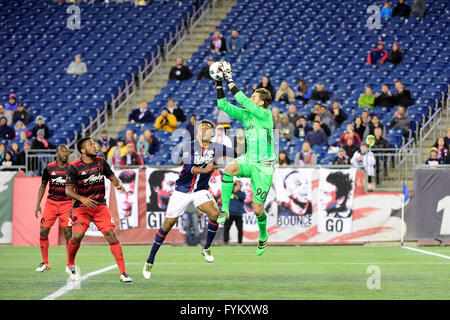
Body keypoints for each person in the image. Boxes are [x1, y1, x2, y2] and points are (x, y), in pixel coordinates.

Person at [143, 120, 236, 279]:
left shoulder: (216, 147)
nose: (204, 130)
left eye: (207, 128)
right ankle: (150, 261)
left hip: (200, 191)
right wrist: (205, 169)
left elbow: (236, 152)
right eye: (201, 128)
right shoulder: (189, 145)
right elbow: (188, 168)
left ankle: (206, 248)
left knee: (215, 215)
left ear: (212, 133)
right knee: (167, 225)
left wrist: (247, 141)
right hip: (182, 191)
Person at [214, 60, 276, 256]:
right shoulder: (246, 115)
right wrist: (218, 82)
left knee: (258, 209)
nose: (250, 98)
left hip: (264, 167)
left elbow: (242, 100)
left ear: (261, 102)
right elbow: (222, 104)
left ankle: (263, 235)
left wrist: (229, 79)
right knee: (229, 168)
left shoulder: (265, 114)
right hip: (249, 160)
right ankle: (224, 209)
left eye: (254, 97)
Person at [65, 137, 131, 282]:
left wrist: (118, 184)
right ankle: (70, 264)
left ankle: (123, 273)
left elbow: (112, 177)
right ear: (83, 150)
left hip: (100, 206)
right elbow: (68, 191)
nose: (95, 146)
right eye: (91, 145)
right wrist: (83, 199)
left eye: (95, 144)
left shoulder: (101, 162)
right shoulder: (74, 167)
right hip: (81, 207)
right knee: (77, 236)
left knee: (111, 234)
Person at [34, 145, 72, 272]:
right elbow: (43, 186)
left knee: (68, 233)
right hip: (51, 203)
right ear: (57, 153)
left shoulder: (72, 169)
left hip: (66, 204)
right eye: (62, 151)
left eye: (66, 151)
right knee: (43, 231)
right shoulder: (49, 168)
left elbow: (76, 188)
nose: (64, 153)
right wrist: (38, 204)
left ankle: (69, 264)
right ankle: (45, 262)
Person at [223, 180, 245, 245]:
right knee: (226, 228)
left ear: (240, 186)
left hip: (238, 214)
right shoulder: (230, 192)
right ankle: (225, 242)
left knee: (240, 229)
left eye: (237, 185)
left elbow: (243, 198)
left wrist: (236, 191)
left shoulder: (242, 193)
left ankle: (240, 243)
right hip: (229, 213)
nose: (235, 186)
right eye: (235, 184)